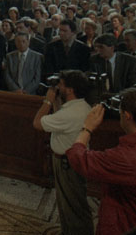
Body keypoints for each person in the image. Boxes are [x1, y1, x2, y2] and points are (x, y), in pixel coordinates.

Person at [66, 88, 136, 235]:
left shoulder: (127, 157)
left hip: (130, 226)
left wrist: (87, 128)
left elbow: (78, 158)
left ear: (127, 116)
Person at [32, 70, 94, 235]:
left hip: (67, 164)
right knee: (71, 203)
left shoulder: (70, 114)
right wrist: (57, 102)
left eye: (61, 84)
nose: (58, 87)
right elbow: (60, 116)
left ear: (70, 90)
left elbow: (37, 123)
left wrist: (47, 100)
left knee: (72, 204)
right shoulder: (82, 106)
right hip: (74, 161)